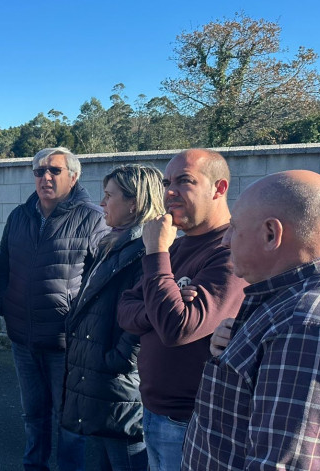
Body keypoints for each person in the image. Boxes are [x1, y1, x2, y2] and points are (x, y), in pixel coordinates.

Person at [181, 170, 320, 470]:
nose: (225, 240)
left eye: (234, 228)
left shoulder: (306, 328)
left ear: (271, 234)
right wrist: (239, 349)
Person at [116, 148, 247, 471]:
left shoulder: (229, 251)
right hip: (153, 411)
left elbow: (177, 329)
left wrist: (156, 251)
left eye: (184, 181)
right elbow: (124, 309)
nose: (169, 191)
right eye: (166, 182)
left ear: (219, 188)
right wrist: (158, 312)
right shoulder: (177, 245)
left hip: (192, 422)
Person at [0, 146, 107, 471]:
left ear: (73, 176)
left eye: (54, 170)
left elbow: (101, 283)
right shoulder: (19, 216)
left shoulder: (92, 218)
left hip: (65, 346)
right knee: (33, 416)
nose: (45, 176)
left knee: (69, 422)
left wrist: (81, 329)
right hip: (23, 342)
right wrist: (4, 307)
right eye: (39, 171)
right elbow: (2, 267)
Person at [62, 164, 166, 470]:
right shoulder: (113, 243)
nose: (103, 202)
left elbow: (148, 315)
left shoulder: (148, 251)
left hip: (119, 387)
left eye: (109, 196)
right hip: (101, 382)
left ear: (133, 202)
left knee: (128, 457)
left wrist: (116, 360)